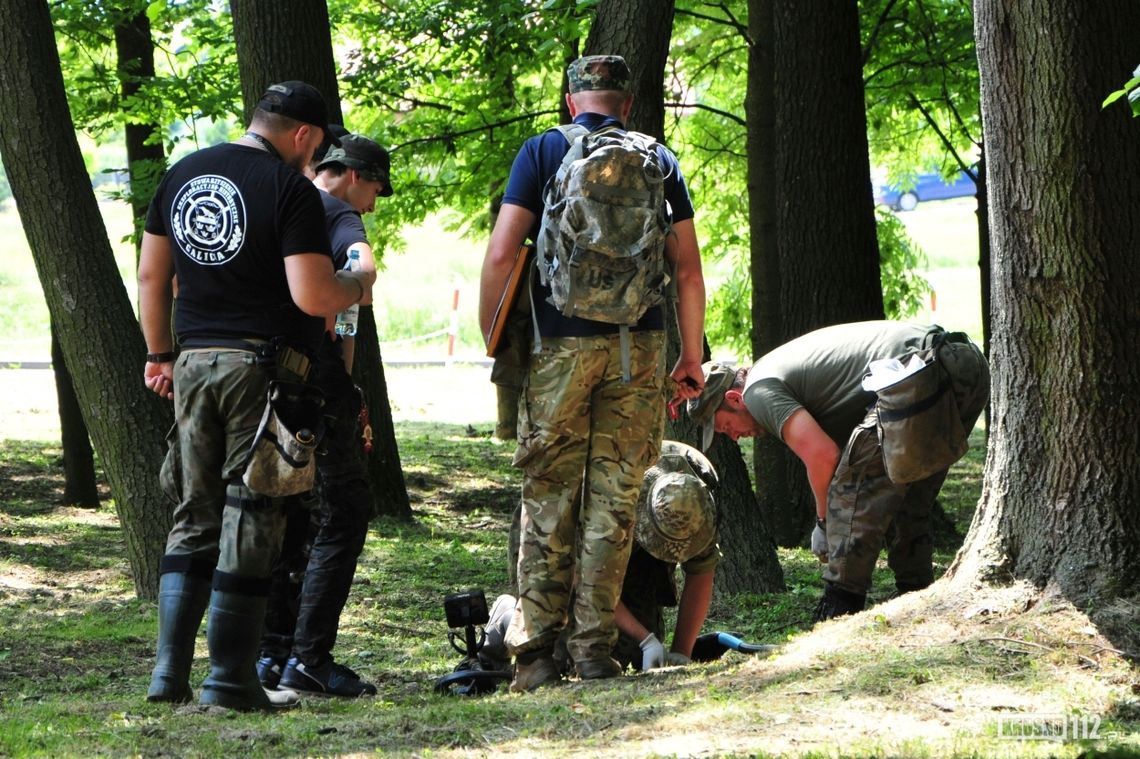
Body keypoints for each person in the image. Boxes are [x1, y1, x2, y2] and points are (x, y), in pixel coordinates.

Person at [138, 81, 376, 711]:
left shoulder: (183, 174)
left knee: (194, 513)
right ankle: (230, 680)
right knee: (254, 511)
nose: (315, 153)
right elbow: (312, 295)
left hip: (191, 363)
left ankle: (168, 675)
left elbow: (152, 276)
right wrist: (355, 283)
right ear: (303, 135)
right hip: (263, 370)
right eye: (317, 143)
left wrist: (161, 354)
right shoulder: (289, 188)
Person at [478, 54, 707, 692]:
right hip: (640, 347)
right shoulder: (658, 159)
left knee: (548, 494)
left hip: (559, 349)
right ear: (626, 103)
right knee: (616, 504)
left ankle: (537, 658)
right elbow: (686, 270)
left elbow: (502, 252)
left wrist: (493, 337)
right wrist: (690, 357)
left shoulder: (544, 150)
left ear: (572, 100)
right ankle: (593, 653)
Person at [686, 321, 989, 621]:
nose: (735, 436)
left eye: (727, 427)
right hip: (964, 363)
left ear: (733, 399)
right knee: (910, 492)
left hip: (918, 370)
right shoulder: (773, 369)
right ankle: (917, 594)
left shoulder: (758, 391)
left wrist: (823, 521)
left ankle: (840, 605)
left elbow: (822, 456)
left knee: (851, 486)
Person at [257, 134, 393, 698]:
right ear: (354, 175)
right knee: (344, 510)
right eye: (377, 190)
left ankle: (269, 653)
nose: (374, 204)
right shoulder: (336, 213)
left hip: (260, 378)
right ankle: (309, 658)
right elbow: (362, 277)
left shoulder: (271, 201)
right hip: (313, 380)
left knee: (281, 509)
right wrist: (343, 384)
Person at [483, 441, 720, 674]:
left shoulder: (695, 496)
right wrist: (645, 638)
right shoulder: (605, 493)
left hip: (626, 551)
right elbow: (583, 575)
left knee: (631, 657)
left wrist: (681, 652)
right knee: (562, 659)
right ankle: (507, 616)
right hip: (553, 543)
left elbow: (701, 571)